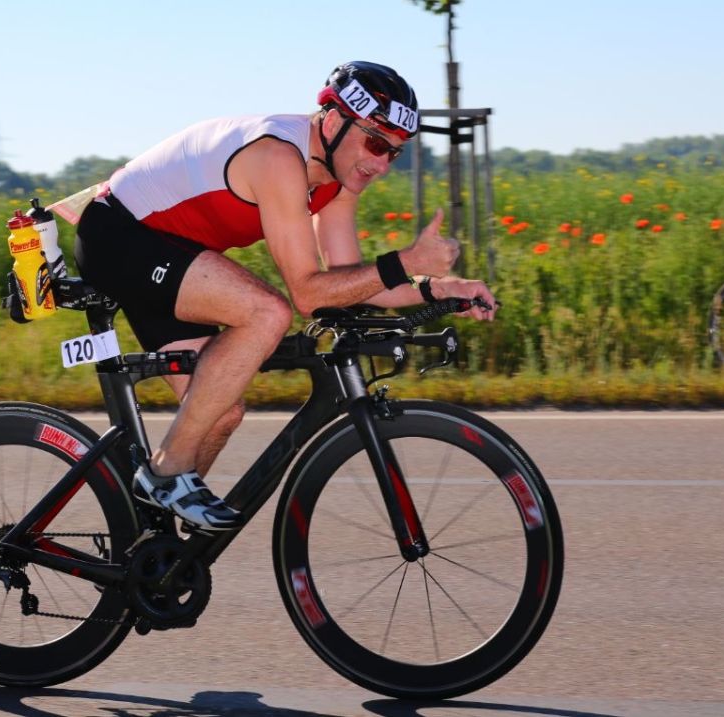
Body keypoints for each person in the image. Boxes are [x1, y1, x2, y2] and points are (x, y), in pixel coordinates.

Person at [74, 61, 497, 532]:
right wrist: (407, 260)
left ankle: (147, 552)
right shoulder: (278, 156)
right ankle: (164, 473)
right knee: (266, 312)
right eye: (376, 143)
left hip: (173, 251)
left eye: (394, 154)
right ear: (334, 121)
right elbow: (309, 296)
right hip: (118, 235)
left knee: (218, 411)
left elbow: (350, 283)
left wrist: (440, 288)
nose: (380, 164)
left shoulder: (337, 177)